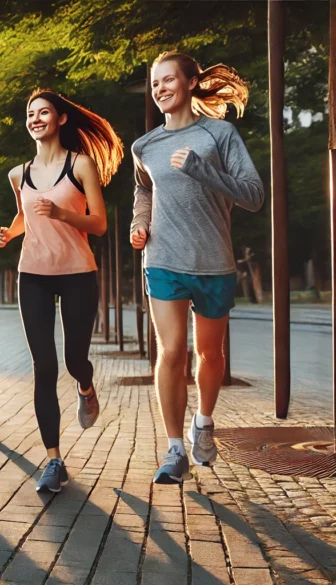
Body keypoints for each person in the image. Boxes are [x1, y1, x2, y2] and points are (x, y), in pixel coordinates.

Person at [130, 52, 264, 484]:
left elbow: (253, 195)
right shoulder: (144, 146)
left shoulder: (219, 134)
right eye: (155, 83)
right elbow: (144, 194)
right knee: (171, 352)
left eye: (168, 80)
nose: (161, 89)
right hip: (163, 260)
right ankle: (173, 450)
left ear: (190, 83)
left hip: (213, 261)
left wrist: (201, 169)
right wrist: (139, 223)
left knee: (210, 355)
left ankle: (203, 423)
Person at [0, 89, 124, 493]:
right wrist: (9, 233)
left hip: (77, 272)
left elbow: (99, 223)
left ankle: (86, 387)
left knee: (73, 360)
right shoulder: (20, 174)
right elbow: (24, 215)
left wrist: (63, 213)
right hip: (32, 273)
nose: (35, 118)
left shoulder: (80, 165)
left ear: (60, 119)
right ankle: (53, 460)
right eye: (30, 113)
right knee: (44, 367)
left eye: (43, 112)